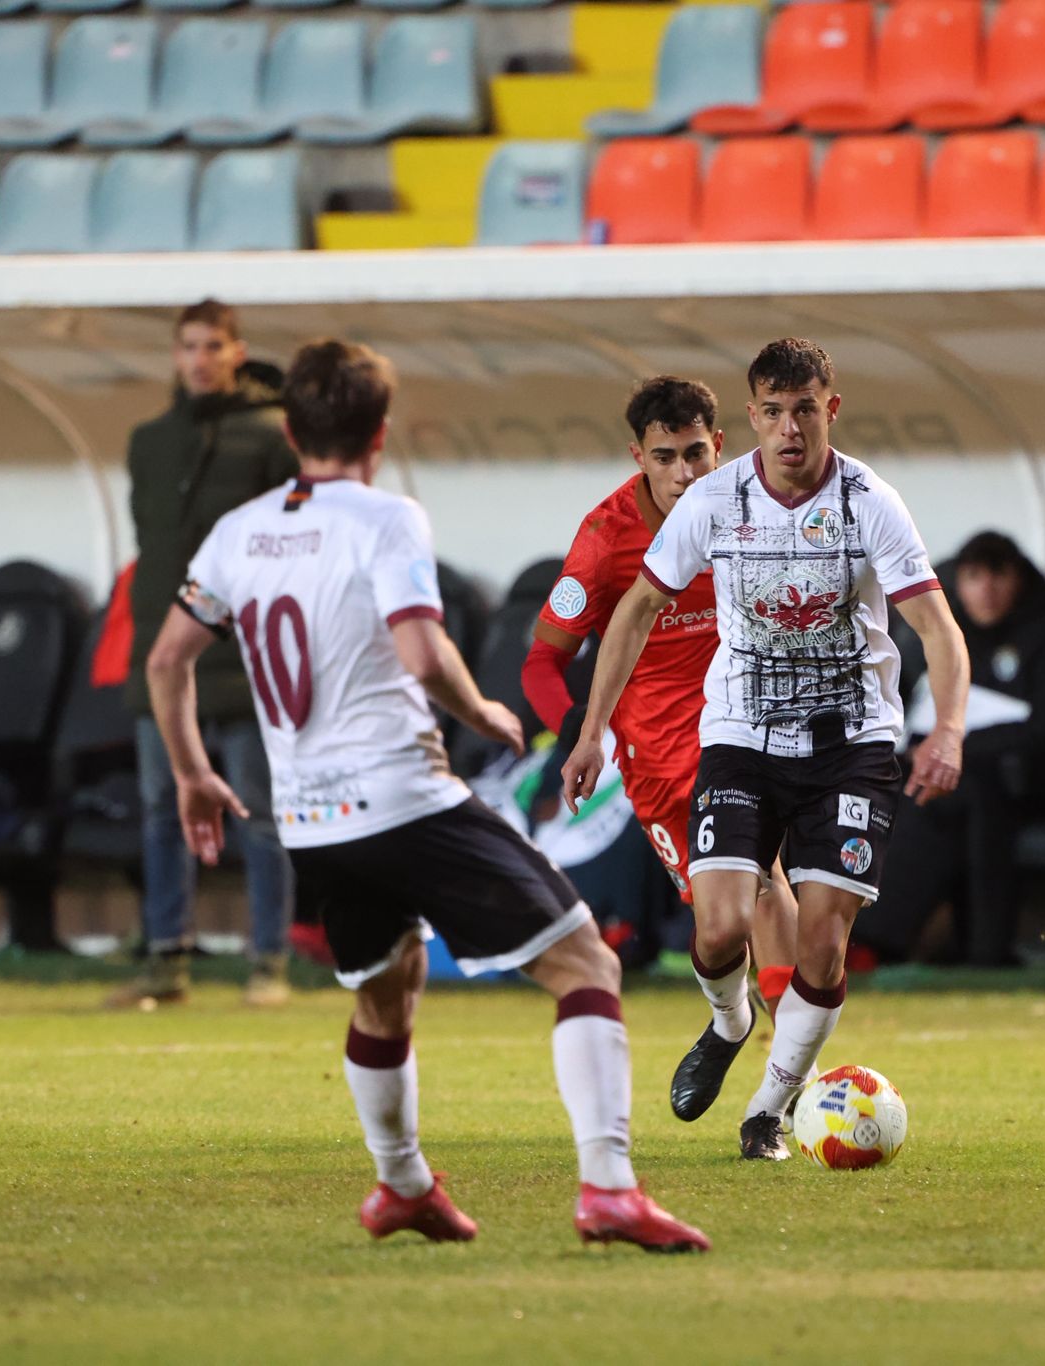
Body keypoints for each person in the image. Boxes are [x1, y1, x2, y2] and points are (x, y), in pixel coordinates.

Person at [143, 339, 708, 1251]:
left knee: (386, 992)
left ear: (290, 432)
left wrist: (190, 771)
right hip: (403, 798)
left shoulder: (237, 532)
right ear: (381, 434)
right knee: (585, 968)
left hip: (309, 818)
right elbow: (417, 649)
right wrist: (481, 707)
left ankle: (402, 1186)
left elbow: (167, 659)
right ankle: (608, 1188)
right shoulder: (385, 517)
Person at [562, 337, 970, 1161]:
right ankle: (729, 1018)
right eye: (775, 412)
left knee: (821, 939)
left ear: (832, 409)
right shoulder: (715, 501)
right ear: (751, 418)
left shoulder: (870, 503)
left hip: (849, 741)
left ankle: (768, 1110)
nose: (791, 428)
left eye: (806, 410)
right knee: (717, 931)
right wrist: (592, 729)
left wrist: (948, 728)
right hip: (743, 735)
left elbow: (936, 625)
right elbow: (637, 609)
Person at [521, 377, 798, 1016]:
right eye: (664, 458)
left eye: (696, 453)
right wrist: (578, 731)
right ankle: (731, 1021)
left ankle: (793, 1066)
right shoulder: (605, 537)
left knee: (764, 879)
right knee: (719, 925)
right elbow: (542, 662)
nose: (683, 474)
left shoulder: (760, 508)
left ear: (720, 445)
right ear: (638, 458)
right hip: (659, 755)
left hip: (746, 726)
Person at [110, 299, 299, 1010]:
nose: (199, 358)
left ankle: (268, 962)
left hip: (248, 656)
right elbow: (150, 546)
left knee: (260, 814)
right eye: (188, 346)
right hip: (165, 648)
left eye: (213, 345)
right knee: (161, 809)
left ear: (237, 352)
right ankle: (165, 959)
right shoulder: (148, 441)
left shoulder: (273, 436)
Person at [862, 530, 1045, 966]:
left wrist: (964, 746)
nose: (986, 589)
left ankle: (905, 940)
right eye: (973, 577)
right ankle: (869, 934)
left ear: (1018, 580)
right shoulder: (949, 638)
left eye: (997, 576)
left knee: (957, 791)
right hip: (955, 776)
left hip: (1032, 780)